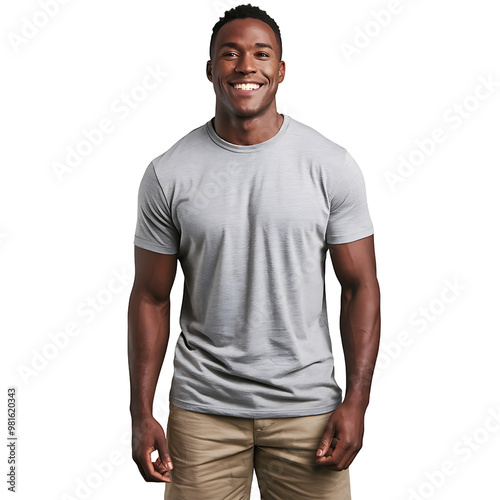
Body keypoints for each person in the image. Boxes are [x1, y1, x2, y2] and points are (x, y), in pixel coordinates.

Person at [127, 4, 380, 499]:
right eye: (230, 54)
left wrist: (357, 402)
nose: (246, 66)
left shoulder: (330, 165)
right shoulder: (168, 173)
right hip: (203, 411)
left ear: (280, 70)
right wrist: (141, 413)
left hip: (308, 412)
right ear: (210, 70)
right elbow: (150, 298)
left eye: (261, 54)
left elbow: (360, 285)